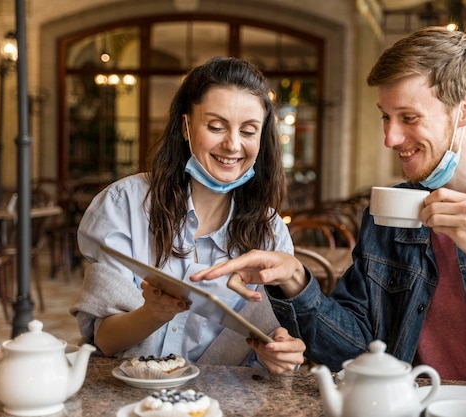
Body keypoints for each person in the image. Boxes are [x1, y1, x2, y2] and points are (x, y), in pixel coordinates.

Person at [192, 27, 466, 389]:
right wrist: (297, 280)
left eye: (409, 118)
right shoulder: (389, 211)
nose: (391, 139)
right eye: (385, 117)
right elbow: (354, 351)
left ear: (464, 111)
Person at [70, 56, 305, 374]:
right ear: (185, 126)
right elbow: (107, 342)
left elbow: (272, 343)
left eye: (249, 131)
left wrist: (277, 353)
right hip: (131, 396)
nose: (232, 144)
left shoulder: (271, 232)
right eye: (216, 126)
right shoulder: (124, 204)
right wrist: (153, 313)